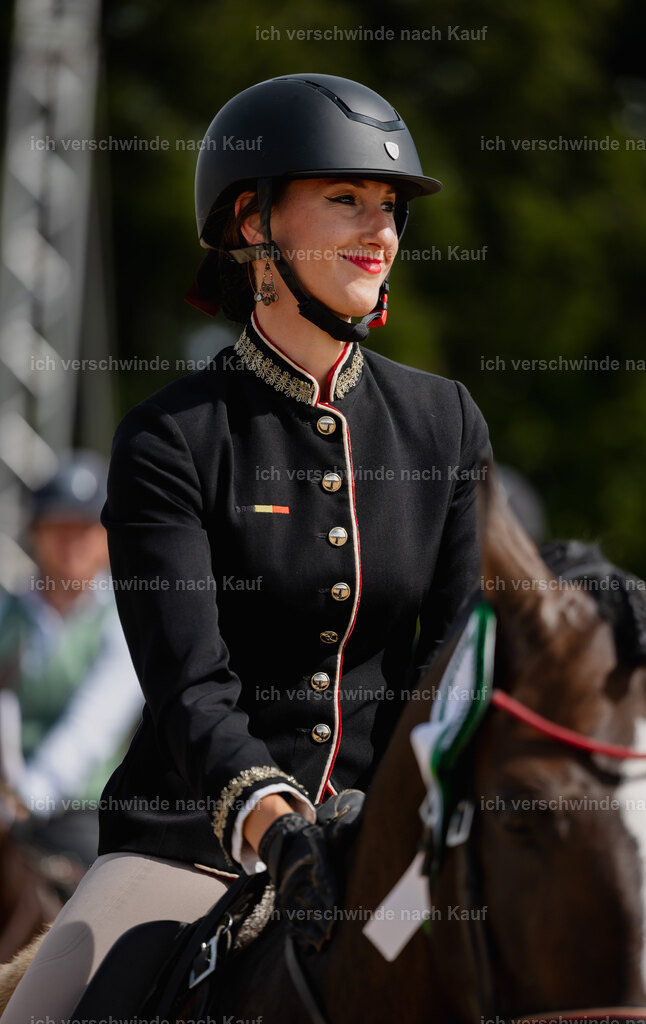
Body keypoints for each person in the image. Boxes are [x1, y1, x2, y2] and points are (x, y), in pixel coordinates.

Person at [0, 72, 491, 1020]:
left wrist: (409, 819)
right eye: (344, 198)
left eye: (387, 206)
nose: (379, 230)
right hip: (194, 838)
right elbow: (189, 685)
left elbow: (453, 652)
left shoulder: (445, 423)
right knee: (47, 1010)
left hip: (396, 844)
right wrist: (275, 825)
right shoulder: (170, 439)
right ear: (252, 224)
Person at [0, 451, 143, 871]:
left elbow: (92, 728)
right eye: (58, 528)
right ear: (35, 533)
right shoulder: (6, 610)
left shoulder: (123, 620)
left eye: (84, 529)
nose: (72, 542)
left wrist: (24, 798)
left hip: (79, 814)